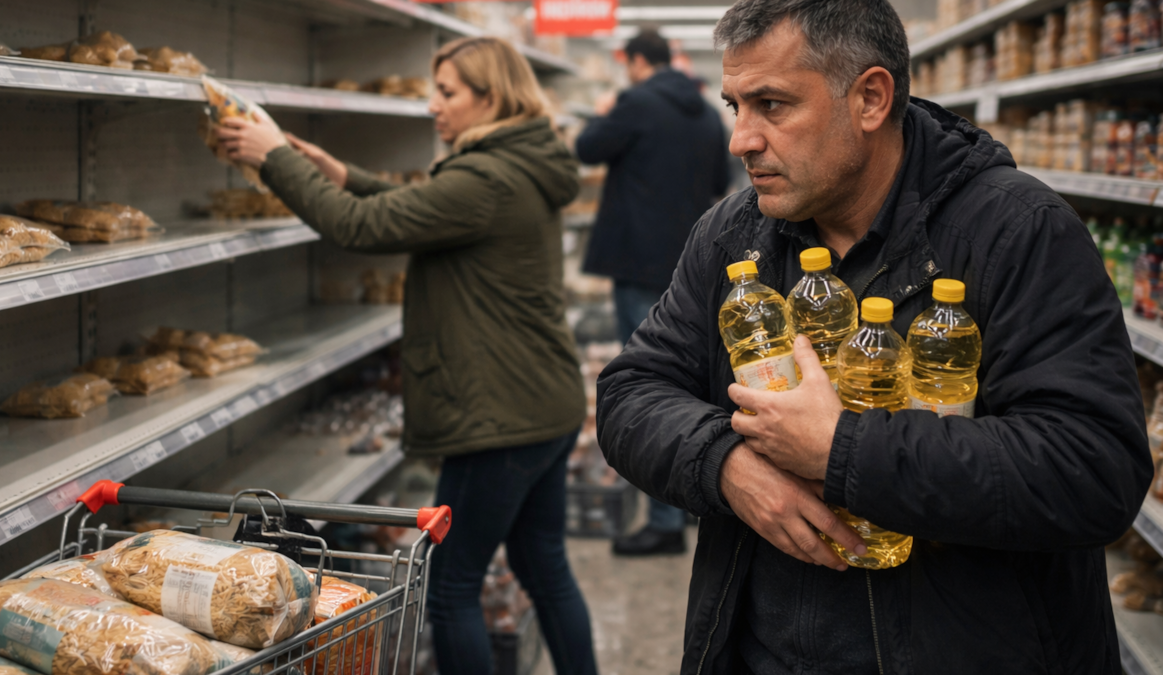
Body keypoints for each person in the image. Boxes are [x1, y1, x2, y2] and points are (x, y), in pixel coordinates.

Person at [596, 0, 1151, 673]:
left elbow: (1092, 468)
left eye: (772, 105)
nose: (741, 137)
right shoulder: (733, 233)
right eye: (735, 105)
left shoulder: (1018, 232)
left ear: (870, 98)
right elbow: (631, 391)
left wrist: (843, 448)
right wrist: (726, 464)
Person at [215, 36, 599, 675]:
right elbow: (414, 207)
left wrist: (276, 157)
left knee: (449, 587)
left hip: (497, 419)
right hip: (542, 402)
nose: (432, 105)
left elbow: (359, 228)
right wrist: (333, 172)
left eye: (447, 92)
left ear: (492, 97)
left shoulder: (485, 177)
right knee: (543, 566)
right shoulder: (517, 163)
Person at [575, 28, 731, 557]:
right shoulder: (709, 112)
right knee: (692, 377)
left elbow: (586, 148)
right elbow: (718, 179)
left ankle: (663, 519)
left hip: (638, 260)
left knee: (646, 385)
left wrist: (602, 112)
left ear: (638, 62)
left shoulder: (635, 102)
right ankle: (693, 494)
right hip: (692, 263)